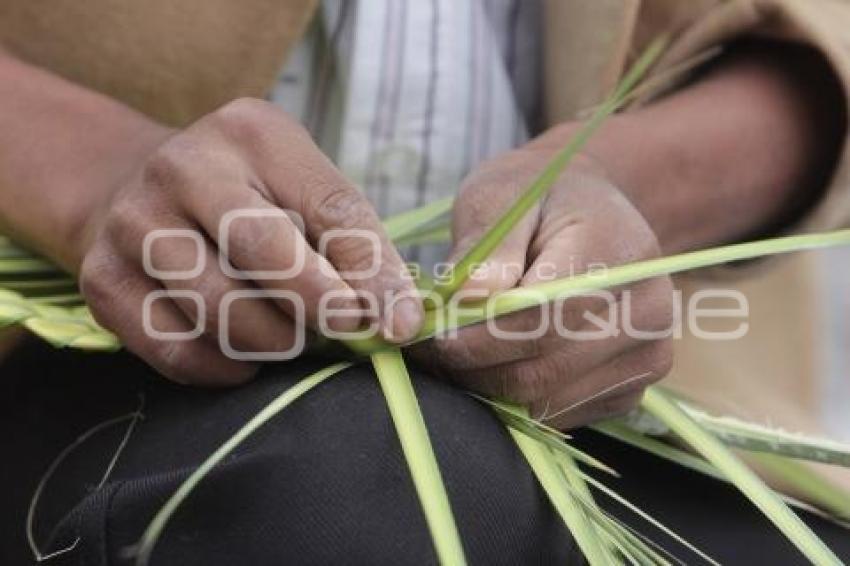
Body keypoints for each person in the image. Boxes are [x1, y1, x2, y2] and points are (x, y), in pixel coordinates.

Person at [1, 1, 849, 564]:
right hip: (75, 349)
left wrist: (619, 178)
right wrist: (93, 175)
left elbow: (816, 38)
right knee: (351, 498)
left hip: (633, 399)